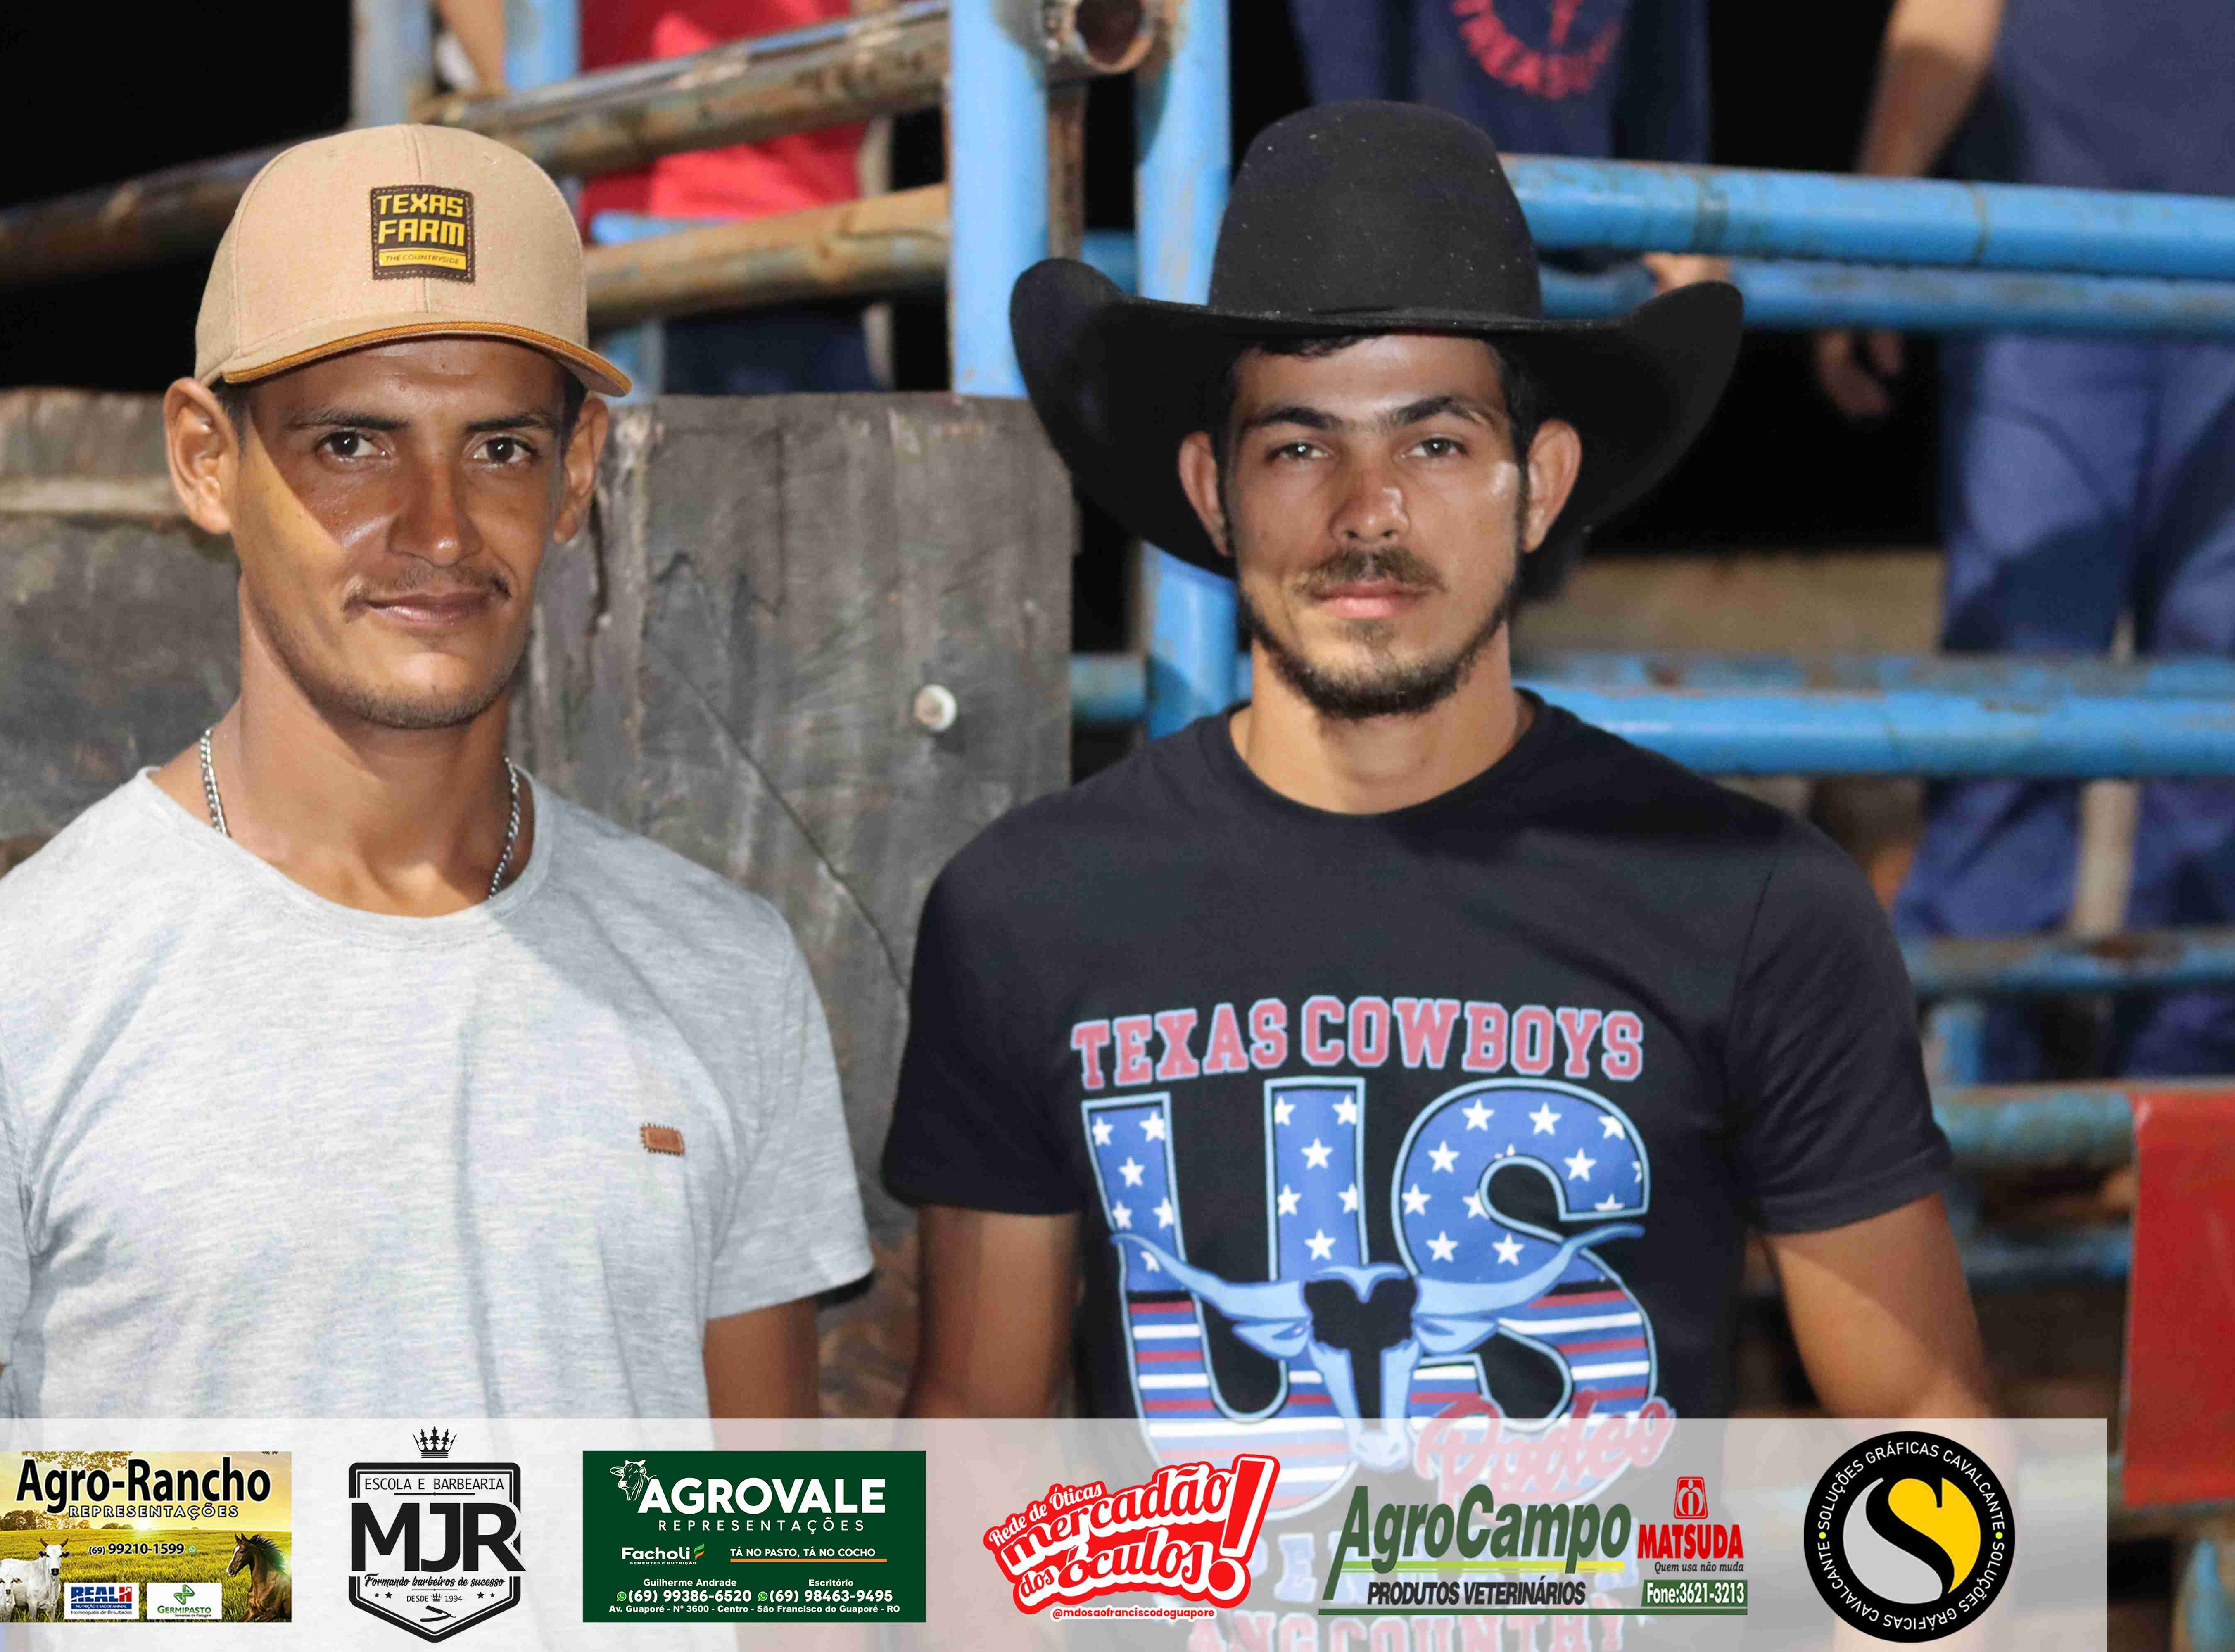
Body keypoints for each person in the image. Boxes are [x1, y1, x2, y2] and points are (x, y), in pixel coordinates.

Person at [0, 125, 871, 1645]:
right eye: (351, 443)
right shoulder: (0, 1000)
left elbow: (772, 1586)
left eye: (500, 446)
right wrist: (232, 1559)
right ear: (206, 460)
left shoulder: (723, 972)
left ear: (577, 475)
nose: (435, 526)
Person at [886, 104, 1992, 1455]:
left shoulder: (1755, 905)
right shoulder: (1029, 910)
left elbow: (1933, 1432)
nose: (1368, 512)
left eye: (1437, 444)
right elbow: (972, 1434)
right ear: (1213, 490)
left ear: (1543, 485)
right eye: (1300, 447)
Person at [1817, 0, 2235, 1080]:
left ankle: (2187, 1110)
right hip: (2047, 262)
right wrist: (1877, 220)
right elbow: (1952, 12)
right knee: (2015, 691)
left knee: (2223, 727)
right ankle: (1970, 1091)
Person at [1285, 0, 1727, 295]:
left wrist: (1685, 225)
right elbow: (1354, 133)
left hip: (1602, 273)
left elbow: (1671, 110)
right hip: (1431, 257)